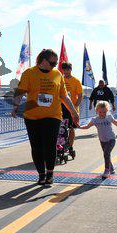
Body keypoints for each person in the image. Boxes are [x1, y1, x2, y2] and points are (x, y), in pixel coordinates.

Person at [11, 49, 79, 185]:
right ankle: (41, 175)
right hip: (32, 116)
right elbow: (20, 91)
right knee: (36, 146)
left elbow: (64, 96)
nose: (54, 66)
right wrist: (15, 106)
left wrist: (73, 111)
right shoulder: (29, 73)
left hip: (53, 115)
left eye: (56, 63)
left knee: (50, 145)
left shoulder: (57, 74)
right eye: (52, 63)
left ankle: (50, 174)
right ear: (43, 60)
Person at [79, 101, 117, 178]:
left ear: (107, 111)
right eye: (100, 112)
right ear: (97, 111)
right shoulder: (95, 120)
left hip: (111, 139)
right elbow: (87, 126)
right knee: (106, 154)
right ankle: (111, 169)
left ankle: (107, 170)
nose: (102, 114)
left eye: (104, 112)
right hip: (102, 141)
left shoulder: (109, 117)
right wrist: (79, 127)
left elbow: (115, 122)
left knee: (106, 153)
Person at [60, 62, 82, 158]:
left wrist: (75, 106)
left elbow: (80, 96)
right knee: (61, 128)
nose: (66, 71)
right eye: (64, 70)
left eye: (68, 69)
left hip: (72, 108)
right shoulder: (60, 79)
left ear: (71, 70)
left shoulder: (76, 81)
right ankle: (60, 146)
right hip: (61, 107)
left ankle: (70, 146)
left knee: (71, 128)